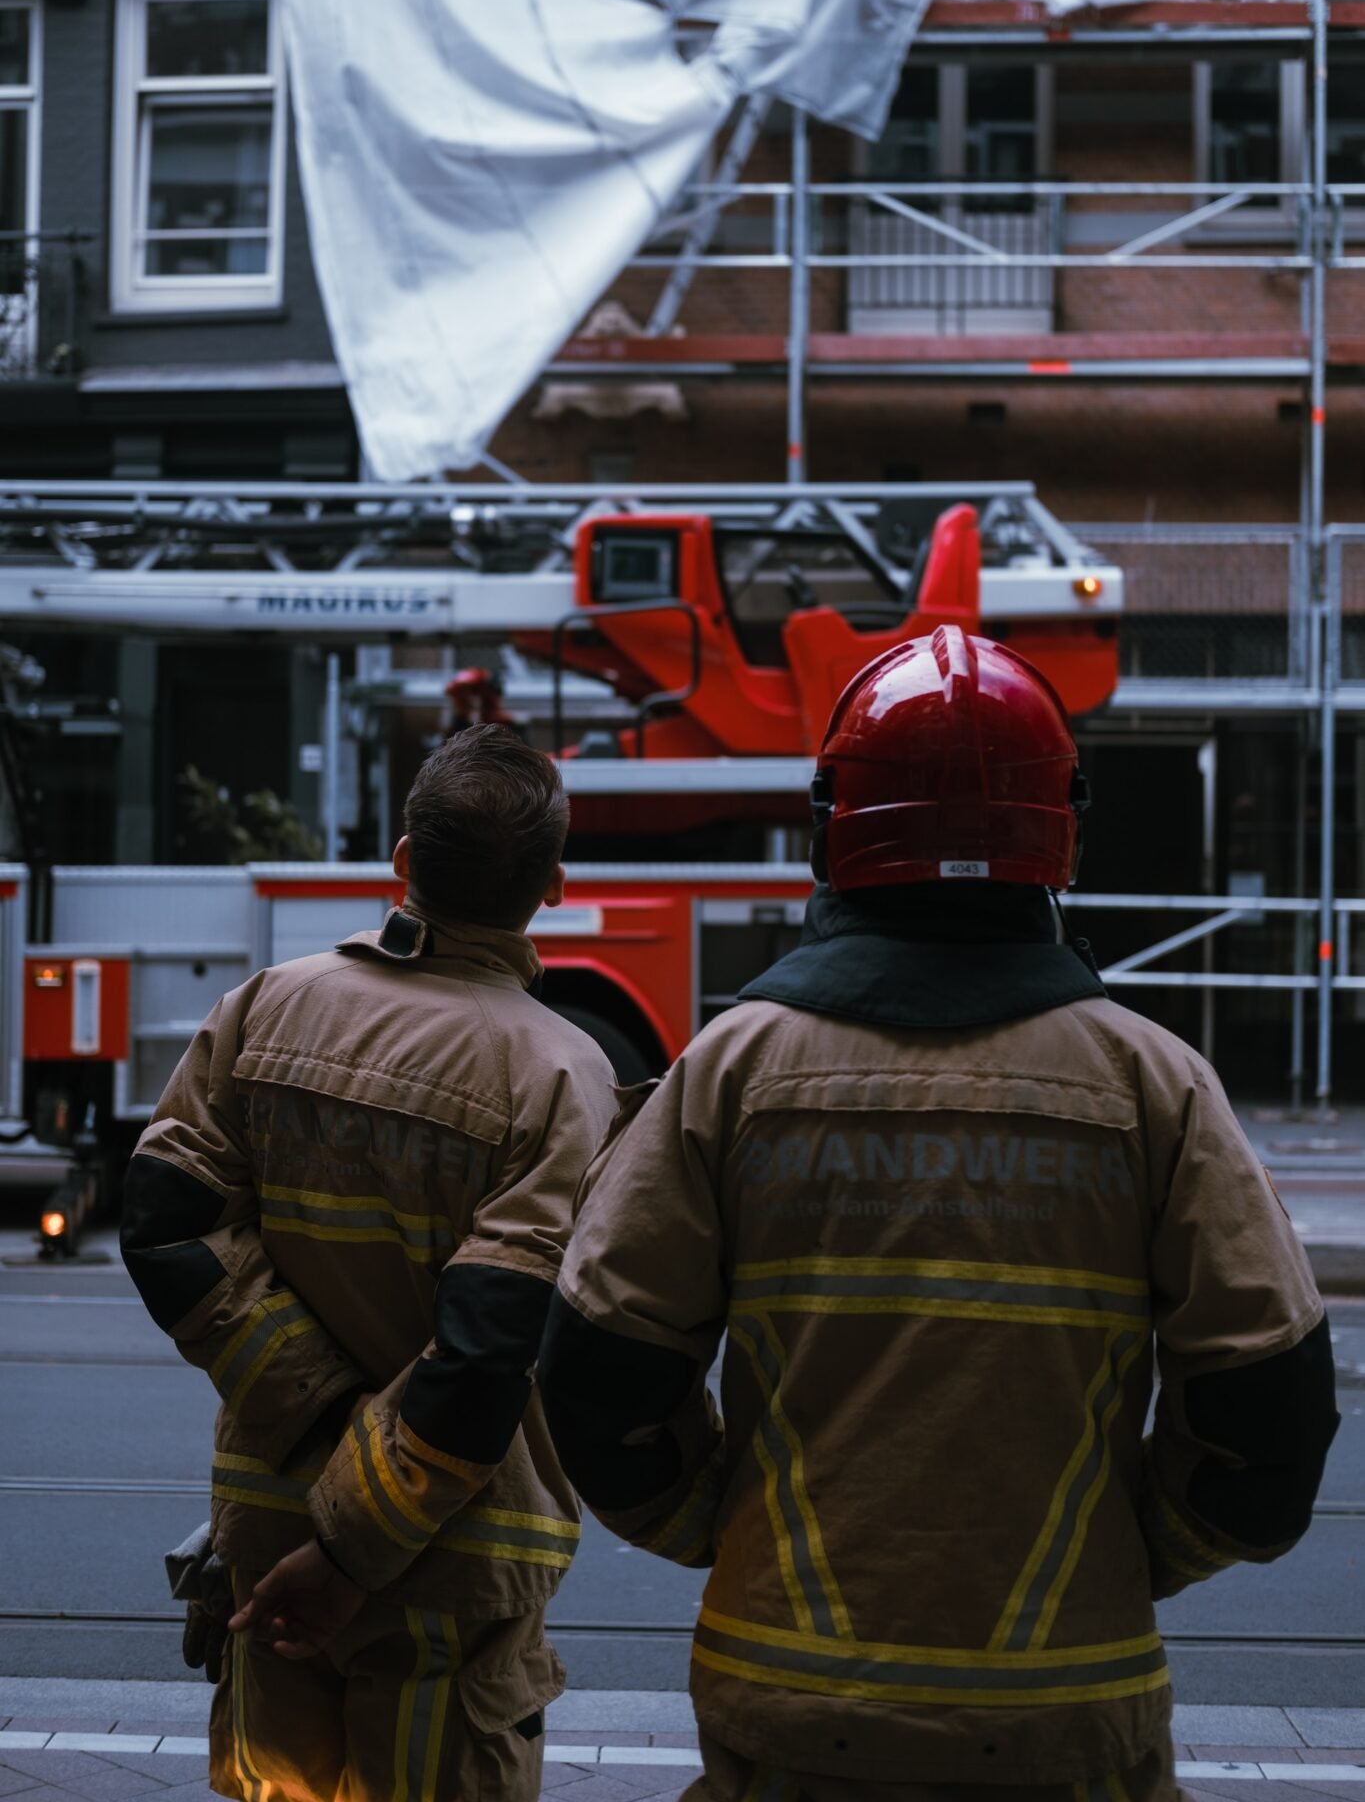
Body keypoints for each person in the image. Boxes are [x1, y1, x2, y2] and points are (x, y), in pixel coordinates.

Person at [538, 627, 1340, 1802]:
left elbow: (598, 1374)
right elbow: (1271, 1416)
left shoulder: (732, 1072)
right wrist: (1132, 1549)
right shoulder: (1154, 1085)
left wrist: (723, 1522)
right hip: (1073, 1712)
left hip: (792, 1705)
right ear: (1058, 829)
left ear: (835, 827)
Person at [120, 725, 617, 1802]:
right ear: (553, 886)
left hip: (266, 1547)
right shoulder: (563, 1074)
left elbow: (165, 1221)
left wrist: (314, 1406)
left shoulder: (264, 1007)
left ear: (402, 858)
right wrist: (353, 1552)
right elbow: (489, 1348)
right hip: (451, 1566)